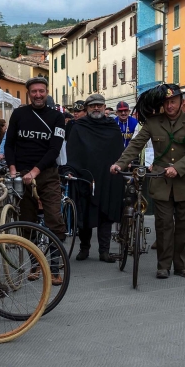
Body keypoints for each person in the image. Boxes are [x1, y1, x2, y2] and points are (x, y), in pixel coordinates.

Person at [110, 83, 185, 279]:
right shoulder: (152, 122)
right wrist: (120, 163)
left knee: (183, 226)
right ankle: (163, 266)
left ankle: (181, 264)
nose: (170, 106)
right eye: (167, 102)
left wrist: (177, 169)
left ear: (181, 102)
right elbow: (135, 145)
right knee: (164, 225)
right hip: (161, 180)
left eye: (173, 102)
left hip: (183, 180)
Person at [4, 76, 66, 285]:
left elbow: (54, 149)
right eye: (34, 92)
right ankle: (34, 264)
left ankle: (55, 266)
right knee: (27, 223)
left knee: (54, 220)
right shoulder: (19, 114)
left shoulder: (57, 117)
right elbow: (10, 144)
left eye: (41, 91)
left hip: (47, 176)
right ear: (29, 93)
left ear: (47, 92)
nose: (38, 95)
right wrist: (13, 170)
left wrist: (36, 171)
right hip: (21, 175)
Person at [66, 93, 123, 263]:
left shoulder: (112, 127)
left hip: (107, 176)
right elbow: (72, 150)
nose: (96, 108)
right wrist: (72, 170)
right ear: (87, 108)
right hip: (85, 176)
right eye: (92, 106)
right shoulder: (79, 126)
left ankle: (104, 251)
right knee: (85, 212)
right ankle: (84, 248)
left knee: (105, 213)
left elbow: (119, 152)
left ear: (105, 107)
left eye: (99, 105)